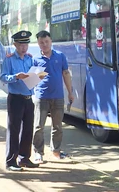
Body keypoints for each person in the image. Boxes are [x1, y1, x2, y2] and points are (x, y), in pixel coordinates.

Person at [32, 30, 75, 163]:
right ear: (38, 44)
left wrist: (70, 92)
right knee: (39, 126)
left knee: (57, 126)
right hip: (41, 96)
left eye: (46, 41)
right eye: (41, 42)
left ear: (51, 41)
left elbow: (66, 73)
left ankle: (56, 150)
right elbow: (31, 78)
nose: (44, 44)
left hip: (58, 96)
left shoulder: (60, 56)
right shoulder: (35, 59)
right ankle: (38, 153)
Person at [0, 30, 40, 171]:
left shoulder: (30, 59)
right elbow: (3, 77)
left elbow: (34, 74)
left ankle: (24, 158)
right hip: (15, 98)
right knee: (14, 130)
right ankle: (11, 161)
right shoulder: (9, 59)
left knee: (28, 129)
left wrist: (37, 77)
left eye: (26, 44)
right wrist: (16, 76)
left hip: (28, 98)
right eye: (21, 44)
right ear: (15, 44)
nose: (24, 47)